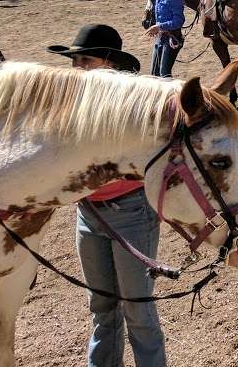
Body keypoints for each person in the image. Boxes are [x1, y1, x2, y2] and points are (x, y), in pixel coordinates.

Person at [47, 25, 167, 367]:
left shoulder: (130, 105)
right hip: (89, 213)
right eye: (75, 61)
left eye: (87, 60)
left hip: (130, 212)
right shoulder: (70, 104)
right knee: (101, 307)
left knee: (138, 310)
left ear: (110, 63)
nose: (78, 68)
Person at [145, 0, 185, 78]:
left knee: (164, 74)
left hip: (172, 38)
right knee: (154, 73)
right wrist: (155, 27)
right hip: (160, 38)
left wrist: (159, 27)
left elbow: (179, 21)